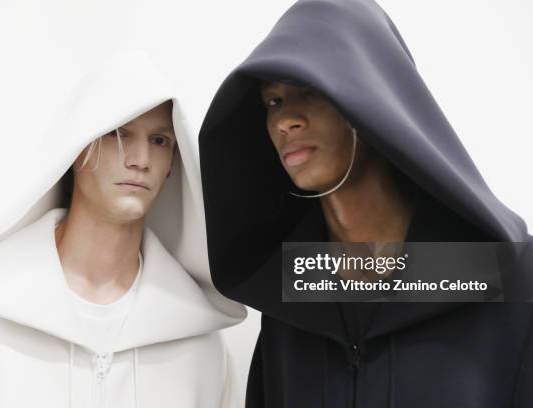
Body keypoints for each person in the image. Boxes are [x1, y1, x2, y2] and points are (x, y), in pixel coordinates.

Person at [198, 0, 533, 407]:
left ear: (372, 96)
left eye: (311, 89)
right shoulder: (297, 290)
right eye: (274, 102)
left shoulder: (505, 275)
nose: (286, 120)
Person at [0, 49, 245, 408]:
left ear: (172, 164)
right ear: (76, 148)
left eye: (159, 141)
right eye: (117, 135)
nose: (139, 160)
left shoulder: (198, 343)